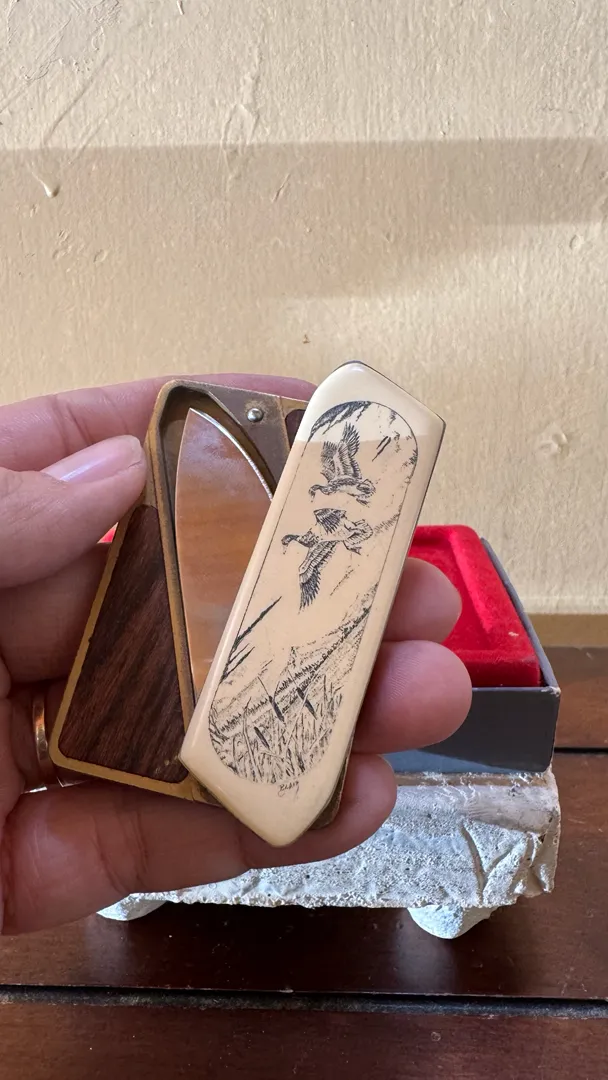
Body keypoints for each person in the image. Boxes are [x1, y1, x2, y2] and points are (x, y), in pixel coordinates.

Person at [0, 373, 471, 935]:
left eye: (355, 490)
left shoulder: (325, 595)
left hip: (261, 754)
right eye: (331, 478)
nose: (327, 502)